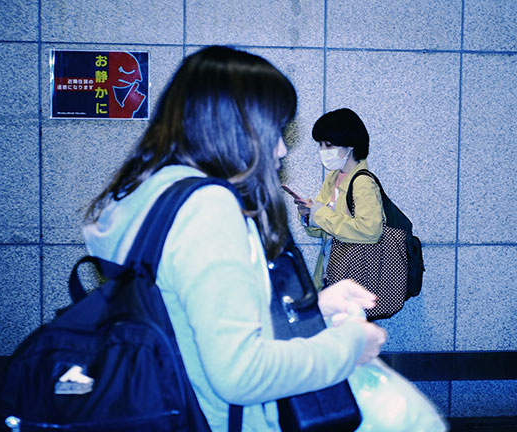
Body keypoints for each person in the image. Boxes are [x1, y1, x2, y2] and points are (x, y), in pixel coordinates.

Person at [83, 46, 387, 432]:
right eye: (275, 130)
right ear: (235, 128)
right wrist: (348, 347)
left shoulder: (150, 194)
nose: (282, 149)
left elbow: (198, 320)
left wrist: (314, 309)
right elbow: (242, 373)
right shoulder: (207, 208)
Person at [293, 108, 385, 289]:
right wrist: (309, 215)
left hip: (354, 277)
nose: (323, 151)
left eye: (329, 145)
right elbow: (323, 231)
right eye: (320, 145)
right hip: (331, 272)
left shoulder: (362, 182)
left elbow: (371, 231)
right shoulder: (333, 178)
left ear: (350, 145)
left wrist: (320, 213)